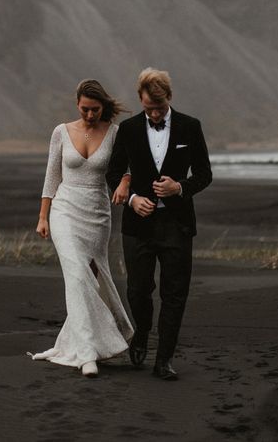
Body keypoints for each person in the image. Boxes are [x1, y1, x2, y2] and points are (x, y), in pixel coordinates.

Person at [106, 68, 212, 381]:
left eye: (160, 108)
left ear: (169, 99)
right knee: (138, 290)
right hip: (137, 225)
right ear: (140, 100)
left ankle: (163, 359)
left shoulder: (190, 127)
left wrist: (179, 188)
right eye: (149, 108)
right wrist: (131, 197)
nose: (154, 113)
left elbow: (204, 175)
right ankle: (141, 333)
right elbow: (113, 174)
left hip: (177, 224)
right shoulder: (127, 129)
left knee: (174, 293)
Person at [31, 79, 134, 377]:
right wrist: (42, 217)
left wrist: (126, 183)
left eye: (96, 110)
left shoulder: (115, 133)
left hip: (97, 214)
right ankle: (87, 353)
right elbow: (52, 177)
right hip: (64, 210)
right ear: (77, 104)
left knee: (92, 277)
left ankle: (83, 339)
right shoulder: (61, 132)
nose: (90, 115)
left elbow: (124, 169)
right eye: (85, 109)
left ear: (104, 107)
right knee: (76, 275)